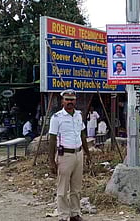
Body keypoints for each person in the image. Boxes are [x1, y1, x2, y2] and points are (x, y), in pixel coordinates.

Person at [49, 89, 88, 221]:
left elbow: (82, 134)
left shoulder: (78, 115)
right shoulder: (57, 118)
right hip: (65, 155)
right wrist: (51, 161)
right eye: (67, 99)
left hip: (78, 154)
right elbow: (52, 139)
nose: (70, 102)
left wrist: (87, 153)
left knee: (76, 188)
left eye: (72, 99)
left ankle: (75, 214)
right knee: (62, 188)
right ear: (62, 101)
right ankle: (63, 215)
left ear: (75, 101)